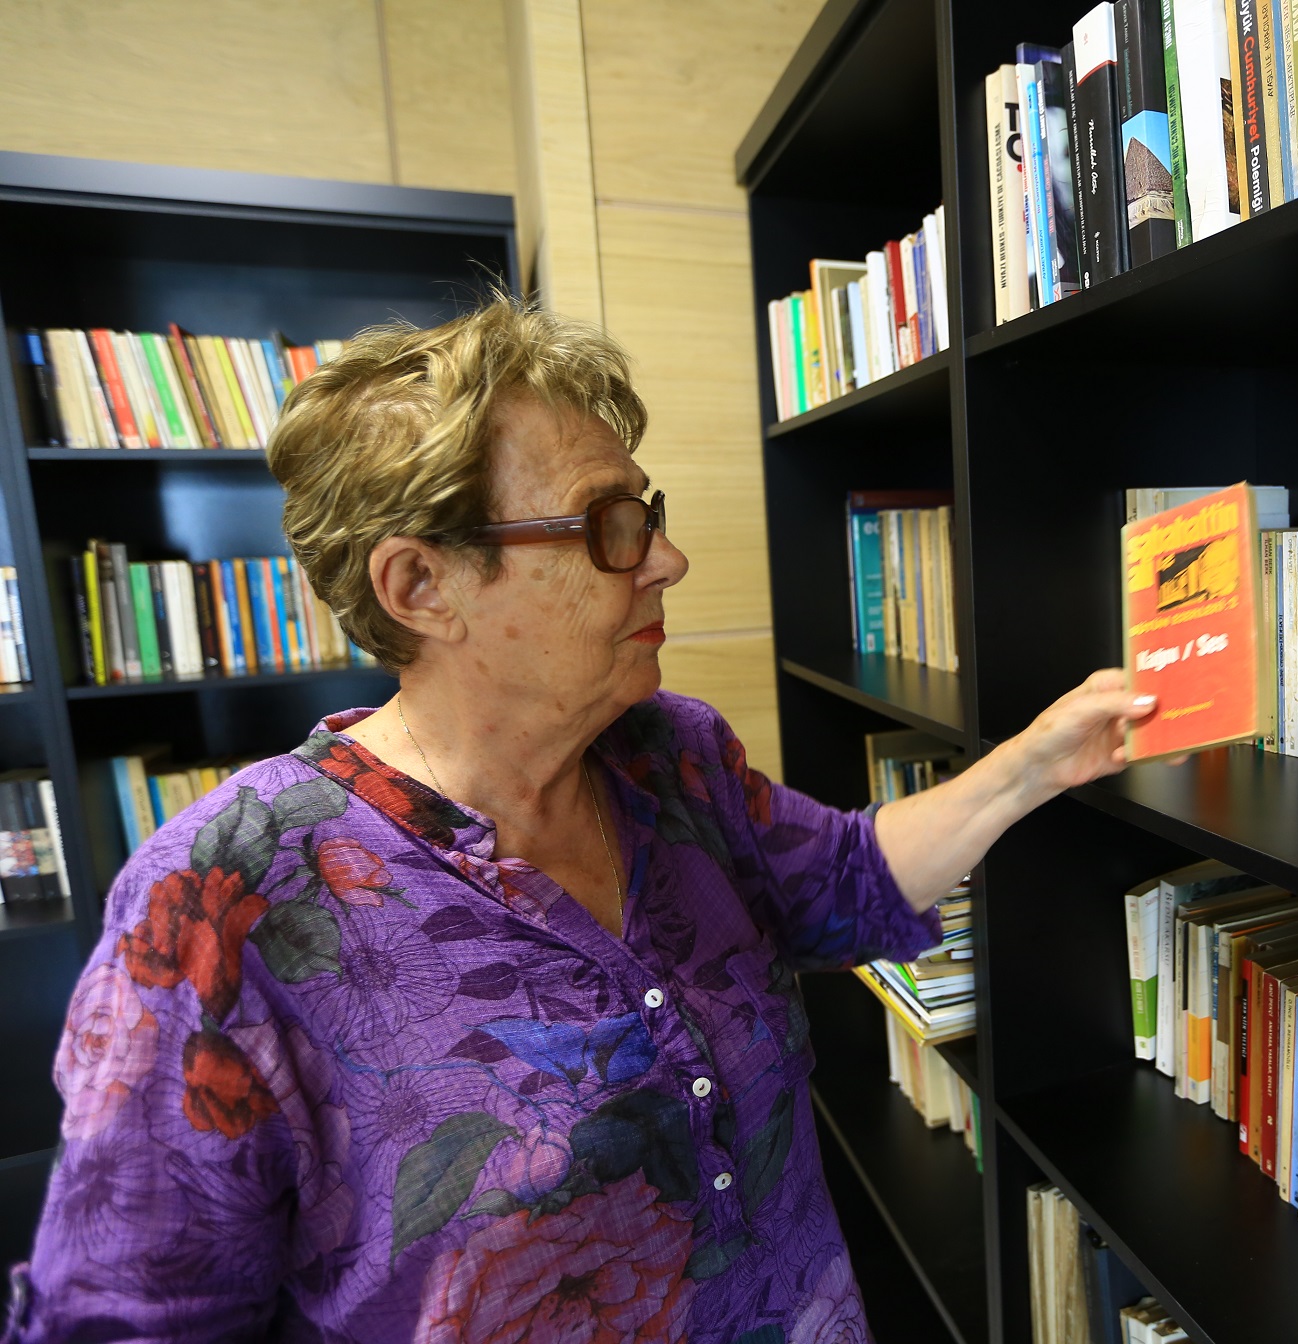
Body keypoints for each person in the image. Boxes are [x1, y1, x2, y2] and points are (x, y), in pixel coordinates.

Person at [9, 298, 1156, 1343]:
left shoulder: (675, 755)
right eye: (609, 526)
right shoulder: (219, 904)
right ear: (421, 587)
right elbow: (124, 1321)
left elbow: (842, 879)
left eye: (646, 513)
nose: (668, 559)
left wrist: (1029, 768)